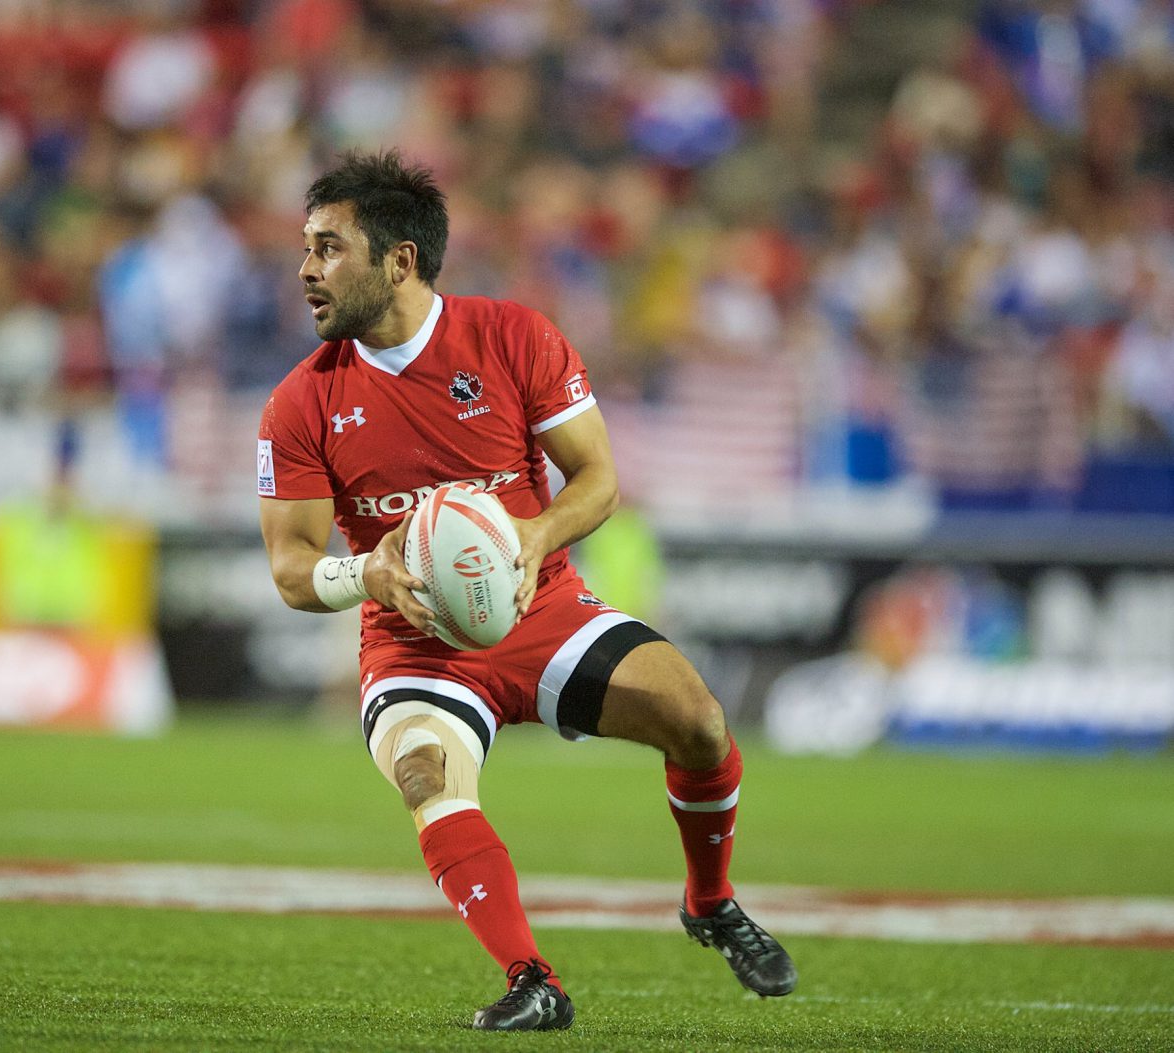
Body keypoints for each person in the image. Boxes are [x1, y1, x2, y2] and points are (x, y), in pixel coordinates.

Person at [257, 151, 796, 1032]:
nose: (307, 270)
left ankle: (711, 899)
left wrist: (529, 538)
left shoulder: (513, 336)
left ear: (399, 259)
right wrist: (373, 574)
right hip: (415, 641)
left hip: (544, 611)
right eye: (307, 248)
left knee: (699, 721)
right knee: (428, 774)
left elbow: (597, 479)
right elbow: (290, 568)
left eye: (329, 247)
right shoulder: (299, 404)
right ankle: (531, 978)